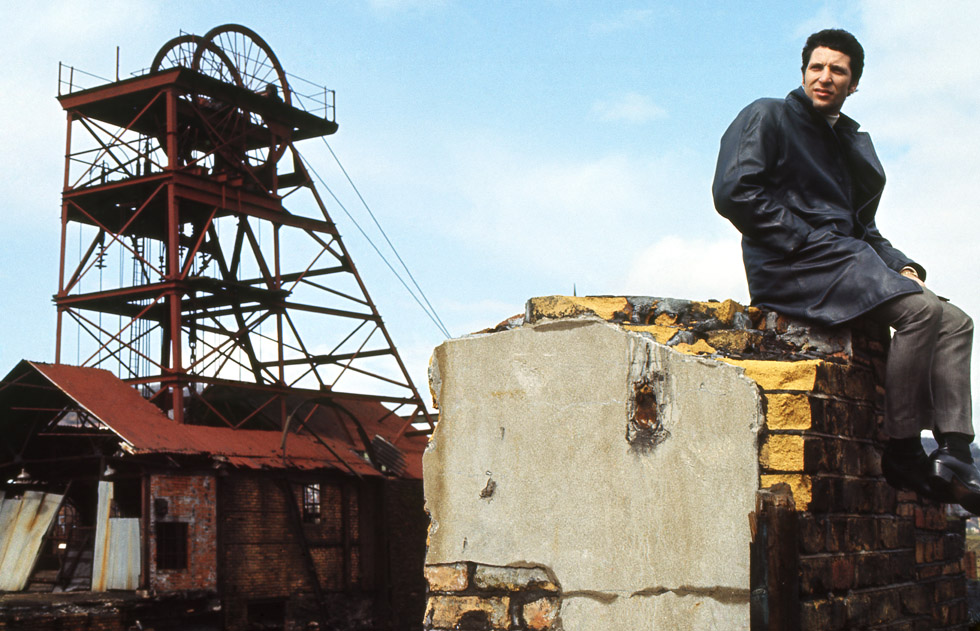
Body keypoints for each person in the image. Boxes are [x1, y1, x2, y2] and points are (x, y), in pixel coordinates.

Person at [712, 28, 979, 513]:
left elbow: (864, 229)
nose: (825, 77)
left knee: (957, 320)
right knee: (920, 313)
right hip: (793, 264)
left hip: (844, 260)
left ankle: (956, 453)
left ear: (853, 83)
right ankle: (902, 450)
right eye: (817, 67)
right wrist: (804, 238)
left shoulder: (849, 144)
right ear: (803, 72)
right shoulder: (767, 115)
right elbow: (735, 193)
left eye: (838, 70)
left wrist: (902, 265)